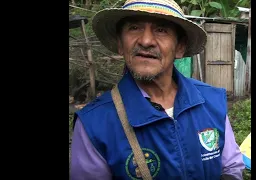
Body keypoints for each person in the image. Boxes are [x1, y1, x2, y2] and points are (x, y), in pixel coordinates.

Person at [70, 0, 245, 179]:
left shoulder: (211, 101)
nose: (146, 41)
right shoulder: (94, 124)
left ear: (180, 47)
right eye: (134, 27)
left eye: (161, 30)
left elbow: (231, 167)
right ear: (121, 44)